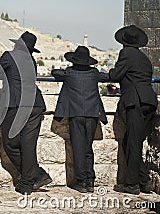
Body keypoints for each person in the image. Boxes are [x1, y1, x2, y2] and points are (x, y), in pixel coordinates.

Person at [0, 31, 52, 195]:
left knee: (10, 143)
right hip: (35, 104)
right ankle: (31, 179)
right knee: (28, 145)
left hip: (17, 105)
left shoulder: (10, 56)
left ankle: (33, 177)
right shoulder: (31, 60)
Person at [51, 46, 109, 193]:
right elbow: (106, 77)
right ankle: (90, 180)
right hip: (92, 114)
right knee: (88, 148)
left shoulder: (69, 73)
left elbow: (55, 73)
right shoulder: (94, 73)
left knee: (78, 147)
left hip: (76, 114)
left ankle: (81, 181)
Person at [109, 25, 157, 195]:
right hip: (149, 100)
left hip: (135, 101)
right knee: (131, 141)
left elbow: (115, 75)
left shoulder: (127, 53)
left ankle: (131, 185)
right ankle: (144, 181)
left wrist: (109, 72)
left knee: (133, 143)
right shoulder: (144, 57)